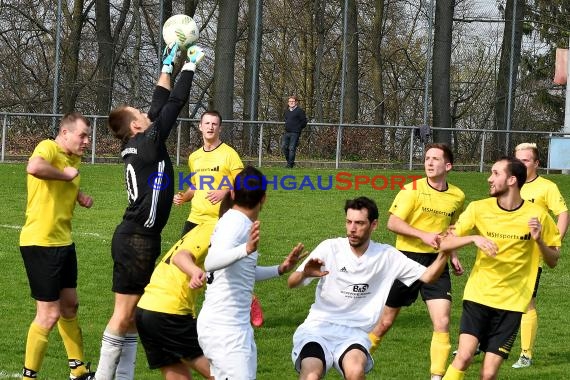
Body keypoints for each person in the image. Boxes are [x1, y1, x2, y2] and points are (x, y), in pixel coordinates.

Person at [94, 43, 205, 380]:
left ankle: (124, 376)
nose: (145, 112)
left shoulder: (139, 141)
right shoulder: (148, 141)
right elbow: (174, 103)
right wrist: (191, 66)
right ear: (138, 127)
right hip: (136, 240)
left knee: (133, 315)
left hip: (136, 237)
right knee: (125, 313)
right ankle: (101, 376)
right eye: (138, 113)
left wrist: (168, 66)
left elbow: (158, 104)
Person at [288, 197, 452, 380]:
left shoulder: (386, 255)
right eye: (349, 222)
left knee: (356, 371)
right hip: (317, 328)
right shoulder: (330, 247)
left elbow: (429, 276)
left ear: (374, 225)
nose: (352, 228)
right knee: (311, 375)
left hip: (354, 333)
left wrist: (444, 252)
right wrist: (304, 274)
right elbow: (292, 282)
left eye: (359, 223)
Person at [440, 157, 561, 380]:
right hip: (478, 296)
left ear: (512, 180)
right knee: (464, 356)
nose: (489, 178)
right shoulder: (478, 208)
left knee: (488, 373)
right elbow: (444, 243)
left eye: (495, 173)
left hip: (513, 304)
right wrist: (473, 238)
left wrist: (539, 241)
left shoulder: (538, 216)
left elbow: (554, 260)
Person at [196, 165, 306, 379]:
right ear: (264, 198)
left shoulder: (234, 221)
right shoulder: (236, 224)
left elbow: (244, 272)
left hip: (229, 326)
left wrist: (280, 269)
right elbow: (211, 262)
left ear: (234, 193)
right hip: (226, 330)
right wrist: (245, 249)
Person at [368, 143, 465, 380]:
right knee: (386, 322)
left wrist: (452, 254)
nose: (429, 163)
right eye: (427, 158)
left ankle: (437, 377)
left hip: (437, 262)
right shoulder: (411, 189)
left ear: (448, 166)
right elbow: (393, 223)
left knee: (442, 322)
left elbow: (451, 228)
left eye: (435, 159)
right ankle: (353, 360)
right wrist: (423, 235)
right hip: (406, 261)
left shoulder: (458, 196)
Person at [172, 112, 266, 328]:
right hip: (195, 219)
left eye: (215, 124)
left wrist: (225, 191)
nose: (210, 127)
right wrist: (184, 197)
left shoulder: (228, 154)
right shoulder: (195, 157)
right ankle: (186, 312)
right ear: (200, 126)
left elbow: (246, 181)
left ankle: (250, 301)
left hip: (220, 220)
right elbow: (195, 185)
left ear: (220, 128)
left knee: (222, 268)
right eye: (207, 123)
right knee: (184, 264)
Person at [19, 112, 95, 380]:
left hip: (64, 242)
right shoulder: (48, 147)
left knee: (70, 306)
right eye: (82, 135)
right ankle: (29, 377)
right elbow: (34, 168)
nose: (87, 141)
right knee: (48, 315)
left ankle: (79, 370)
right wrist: (65, 177)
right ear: (65, 133)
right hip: (41, 242)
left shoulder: (73, 160)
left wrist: (79, 195)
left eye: (89, 136)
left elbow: (60, 185)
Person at [511, 142, 568, 369]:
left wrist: (555, 242)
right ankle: (479, 342)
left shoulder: (547, 187)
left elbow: (563, 213)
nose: (521, 164)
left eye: (526, 160)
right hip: (504, 252)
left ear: (536, 163)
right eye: (518, 159)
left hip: (531, 256)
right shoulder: (510, 182)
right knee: (489, 299)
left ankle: (526, 353)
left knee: (527, 302)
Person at [135, 221, 216, 380]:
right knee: (224, 374)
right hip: (169, 312)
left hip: (146, 309)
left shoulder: (202, 227)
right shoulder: (213, 228)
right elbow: (180, 257)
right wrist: (194, 272)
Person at [282, 95, 307, 168]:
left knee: (292, 148)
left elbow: (304, 122)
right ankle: (290, 162)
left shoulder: (300, 111)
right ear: (288, 103)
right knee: (284, 147)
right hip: (287, 132)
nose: (291, 103)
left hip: (295, 133)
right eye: (290, 101)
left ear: (296, 102)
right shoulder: (286, 111)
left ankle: (290, 165)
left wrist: (298, 128)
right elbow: (286, 120)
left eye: (293, 101)